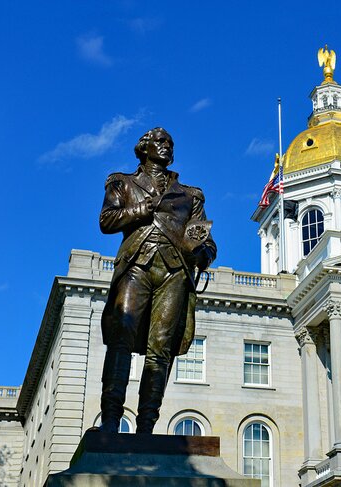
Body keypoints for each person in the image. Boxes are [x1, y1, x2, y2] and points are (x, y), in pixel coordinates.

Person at [98, 127, 216, 434]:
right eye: (160, 142)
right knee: (121, 337)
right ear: (144, 148)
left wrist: (203, 255)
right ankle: (110, 419)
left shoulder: (190, 195)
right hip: (136, 265)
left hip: (174, 272)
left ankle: (147, 425)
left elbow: (206, 240)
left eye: (170, 144)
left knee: (161, 347)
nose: (166, 147)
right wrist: (140, 209)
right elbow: (106, 221)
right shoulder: (122, 182)